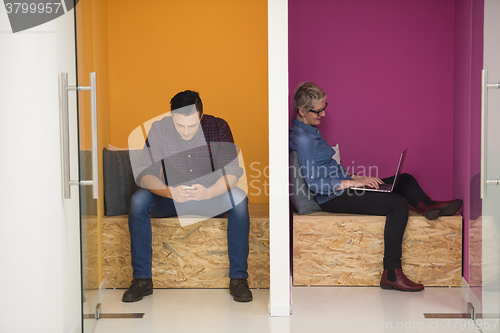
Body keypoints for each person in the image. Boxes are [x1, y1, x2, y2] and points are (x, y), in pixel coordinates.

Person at [289, 82, 463, 292]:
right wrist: (353, 183)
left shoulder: (310, 131)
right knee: (398, 204)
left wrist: (358, 178)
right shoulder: (303, 140)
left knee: (404, 180)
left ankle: (428, 207)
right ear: (302, 110)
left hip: (344, 186)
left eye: (324, 108)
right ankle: (391, 273)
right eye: (318, 110)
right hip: (333, 197)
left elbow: (327, 168)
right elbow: (316, 183)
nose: (323, 115)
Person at [122, 90, 252, 302]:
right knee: (138, 201)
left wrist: (209, 191)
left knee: (238, 199)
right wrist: (169, 192)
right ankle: (141, 280)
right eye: (180, 125)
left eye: (192, 125)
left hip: (210, 198)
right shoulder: (159, 129)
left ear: (200, 116)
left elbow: (232, 174)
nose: (186, 131)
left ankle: (238, 279)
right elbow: (145, 175)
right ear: (172, 117)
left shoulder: (218, 127)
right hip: (173, 199)